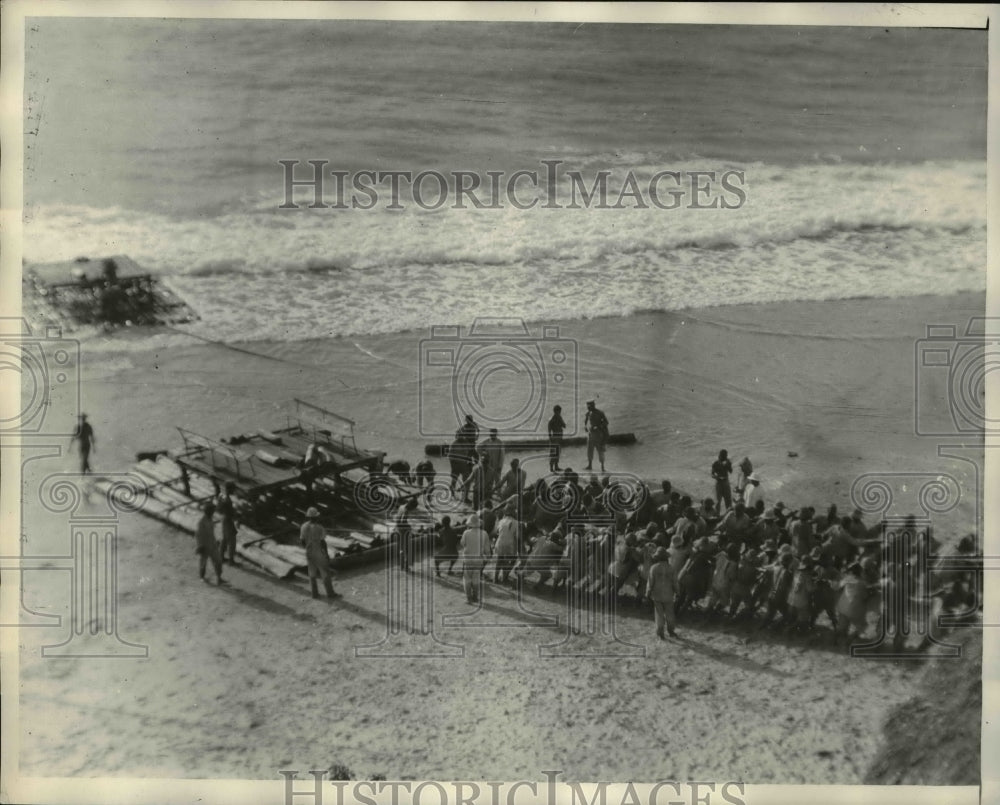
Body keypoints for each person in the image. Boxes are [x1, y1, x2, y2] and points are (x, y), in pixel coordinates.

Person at [300, 506, 337, 598]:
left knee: (312, 573)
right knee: (325, 572)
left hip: (309, 552)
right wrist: (326, 554)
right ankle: (330, 593)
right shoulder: (320, 528)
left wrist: (307, 548)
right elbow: (323, 542)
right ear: (316, 517)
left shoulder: (303, 527)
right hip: (318, 551)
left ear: (308, 517)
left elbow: (302, 541)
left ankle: (314, 594)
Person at [646, 546, 679, 639]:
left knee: (659, 614)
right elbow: (675, 582)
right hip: (669, 594)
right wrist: (677, 592)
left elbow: (650, 582)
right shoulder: (671, 568)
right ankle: (671, 630)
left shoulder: (654, 568)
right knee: (670, 613)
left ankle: (660, 632)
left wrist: (647, 593)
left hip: (657, 594)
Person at [459, 513, 491, 604]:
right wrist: (487, 557)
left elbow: (462, 544)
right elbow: (487, 549)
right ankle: (475, 597)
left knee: (467, 579)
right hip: (478, 560)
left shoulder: (466, 533)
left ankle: (468, 598)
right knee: (476, 579)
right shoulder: (484, 533)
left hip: (468, 560)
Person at [195, 503, 225, 585]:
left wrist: (216, 541)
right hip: (205, 546)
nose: (213, 512)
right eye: (212, 511)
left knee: (218, 561)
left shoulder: (210, 519)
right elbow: (198, 535)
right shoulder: (201, 522)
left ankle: (219, 578)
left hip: (212, 544)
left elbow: (212, 532)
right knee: (203, 562)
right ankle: (202, 577)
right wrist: (200, 546)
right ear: (208, 511)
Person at [492, 505, 520, 583]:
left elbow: (496, 532)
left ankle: (495, 578)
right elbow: (517, 536)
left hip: (500, 542)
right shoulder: (516, 523)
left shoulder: (501, 521)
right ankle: (504, 578)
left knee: (499, 560)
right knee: (506, 561)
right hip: (509, 544)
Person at [392, 498, 420, 571]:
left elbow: (398, 519)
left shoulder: (401, 506)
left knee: (401, 548)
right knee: (408, 549)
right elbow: (402, 521)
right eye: (413, 508)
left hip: (397, 528)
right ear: (411, 506)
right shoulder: (406, 511)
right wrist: (409, 527)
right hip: (403, 531)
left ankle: (402, 566)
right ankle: (406, 567)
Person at [216, 481, 239, 565]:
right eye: (233, 489)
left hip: (223, 518)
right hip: (228, 519)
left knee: (224, 538)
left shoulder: (221, 495)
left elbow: (218, 508)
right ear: (229, 489)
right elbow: (231, 513)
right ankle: (231, 560)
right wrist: (236, 515)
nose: (234, 491)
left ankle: (221, 557)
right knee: (232, 540)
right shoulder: (228, 500)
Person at [478, 428, 505, 499]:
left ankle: (499, 494)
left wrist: (500, 466)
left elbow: (502, 456)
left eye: (494, 434)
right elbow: (478, 448)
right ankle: (489, 494)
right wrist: (483, 454)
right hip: (488, 465)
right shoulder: (486, 442)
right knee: (489, 480)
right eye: (491, 434)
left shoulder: (500, 442)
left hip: (497, 465)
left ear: (496, 434)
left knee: (498, 480)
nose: (492, 435)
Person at [583, 400, 609, 472]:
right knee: (589, 450)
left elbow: (606, 422)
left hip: (598, 434)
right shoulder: (588, 413)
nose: (588, 408)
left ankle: (602, 467)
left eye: (589, 406)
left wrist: (599, 426)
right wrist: (585, 427)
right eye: (587, 406)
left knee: (600, 450)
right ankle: (590, 465)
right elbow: (585, 421)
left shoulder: (600, 413)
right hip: (591, 434)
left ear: (593, 405)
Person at [547, 404, 566, 472]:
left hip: (559, 437)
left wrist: (561, 421)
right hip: (554, 437)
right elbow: (549, 429)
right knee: (553, 453)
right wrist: (550, 437)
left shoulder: (559, 417)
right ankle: (551, 468)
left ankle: (556, 466)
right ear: (555, 411)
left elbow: (564, 425)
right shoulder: (551, 419)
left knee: (558, 452)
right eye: (559, 411)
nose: (560, 412)